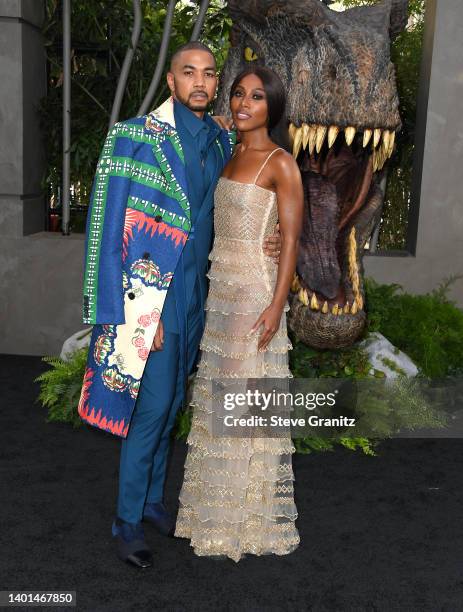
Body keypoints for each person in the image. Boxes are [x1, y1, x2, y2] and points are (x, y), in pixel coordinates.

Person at [77, 41, 281, 569]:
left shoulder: (219, 140)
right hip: (153, 298)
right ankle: (125, 522)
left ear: (216, 83)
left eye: (209, 74)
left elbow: (240, 205)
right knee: (150, 411)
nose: (200, 81)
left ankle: (150, 504)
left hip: (201, 300)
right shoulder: (132, 137)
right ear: (170, 81)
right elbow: (104, 225)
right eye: (188, 72)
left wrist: (270, 239)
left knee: (170, 410)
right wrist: (130, 312)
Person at [175, 66, 304, 561]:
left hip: (253, 291)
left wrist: (277, 304)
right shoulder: (229, 154)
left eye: (256, 96)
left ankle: (235, 522)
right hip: (219, 293)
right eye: (238, 94)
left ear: (272, 107)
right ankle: (212, 510)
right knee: (218, 399)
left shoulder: (280, 162)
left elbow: (289, 239)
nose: (244, 103)